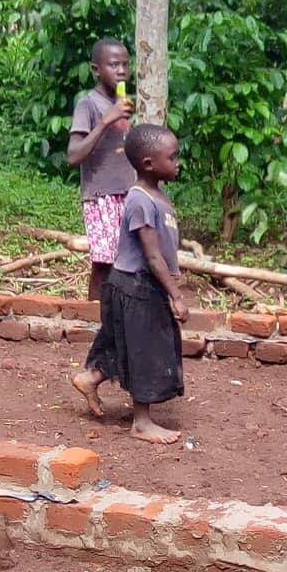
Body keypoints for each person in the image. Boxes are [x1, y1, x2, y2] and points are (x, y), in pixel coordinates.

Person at [71, 125, 189, 444]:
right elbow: (152, 256)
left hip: (133, 285)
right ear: (149, 164)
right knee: (145, 349)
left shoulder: (156, 195)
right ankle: (141, 423)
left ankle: (89, 378)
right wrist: (176, 295)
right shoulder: (139, 201)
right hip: (135, 286)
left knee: (121, 341)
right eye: (172, 157)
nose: (178, 162)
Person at [67, 38, 136, 302]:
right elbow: (74, 155)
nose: (121, 71)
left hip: (127, 193)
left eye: (125, 65)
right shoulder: (89, 105)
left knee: (127, 262)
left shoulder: (122, 104)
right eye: (113, 65)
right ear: (96, 69)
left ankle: (117, 314)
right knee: (104, 263)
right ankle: (92, 314)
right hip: (101, 196)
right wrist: (106, 121)